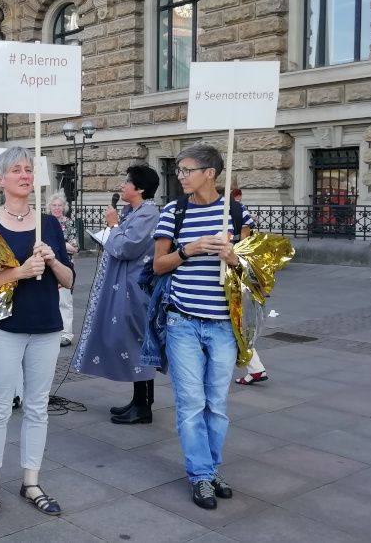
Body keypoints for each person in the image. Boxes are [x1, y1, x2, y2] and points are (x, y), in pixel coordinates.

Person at [0, 147, 74, 520]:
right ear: (0, 180)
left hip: (46, 326)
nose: (25, 175)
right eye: (17, 169)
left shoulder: (49, 223)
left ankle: (31, 481)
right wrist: (21, 271)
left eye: (29, 169)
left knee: (37, 408)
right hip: (6, 327)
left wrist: (51, 260)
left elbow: (69, 280)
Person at [152, 144, 253, 510]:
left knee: (217, 403)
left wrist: (234, 257)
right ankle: (201, 475)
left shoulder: (238, 214)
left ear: (210, 173)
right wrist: (188, 250)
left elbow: (257, 273)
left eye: (187, 170)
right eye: (179, 170)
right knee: (191, 403)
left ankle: (209, 470)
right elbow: (158, 265)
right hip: (182, 321)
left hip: (224, 324)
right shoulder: (173, 212)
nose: (180, 176)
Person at [72, 165, 161, 424]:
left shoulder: (148, 213)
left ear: (140, 188)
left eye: (127, 182)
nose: (122, 186)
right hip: (124, 286)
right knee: (130, 343)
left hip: (135, 288)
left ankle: (144, 407)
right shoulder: (134, 211)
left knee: (136, 344)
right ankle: (139, 400)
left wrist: (112, 226)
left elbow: (125, 247)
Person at [229, 188, 267, 385]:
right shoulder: (240, 212)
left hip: (230, 275)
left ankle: (256, 368)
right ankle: (256, 368)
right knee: (237, 325)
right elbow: (247, 246)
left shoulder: (231, 211)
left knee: (235, 325)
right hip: (240, 274)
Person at [48, 193, 79, 346]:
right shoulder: (45, 223)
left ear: (64, 207)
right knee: (48, 300)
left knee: (65, 302)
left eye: (60, 205)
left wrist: (58, 244)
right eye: (54, 205)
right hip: (47, 268)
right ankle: (51, 331)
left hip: (65, 268)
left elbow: (75, 248)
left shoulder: (69, 223)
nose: (57, 208)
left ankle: (66, 333)